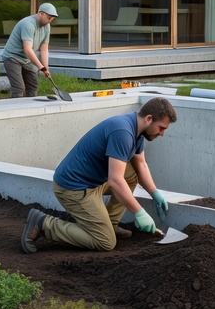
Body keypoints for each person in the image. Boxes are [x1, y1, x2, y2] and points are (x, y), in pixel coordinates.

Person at [20, 96, 177, 253]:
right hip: (73, 188)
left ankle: (111, 224)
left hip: (93, 181)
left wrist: (154, 192)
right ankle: (43, 224)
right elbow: (115, 180)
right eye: (161, 128)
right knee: (105, 241)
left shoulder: (137, 131)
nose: (162, 133)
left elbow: (141, 164)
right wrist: (139, 212)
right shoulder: (123, 132)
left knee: (131, 173)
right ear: (149, 119)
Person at [1, 2, 57, 98]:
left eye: (52, 19)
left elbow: (44, 49)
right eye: (49, 18)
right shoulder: (28, 24)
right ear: (41, 13)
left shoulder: (47, 26)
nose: (50, 20)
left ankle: (31, 106)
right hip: (12, 57)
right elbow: (27, 49)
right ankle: (15, 106)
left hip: (27, 59)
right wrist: (41, 67)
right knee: (19, 88)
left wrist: (45, 68)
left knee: (33, 85)